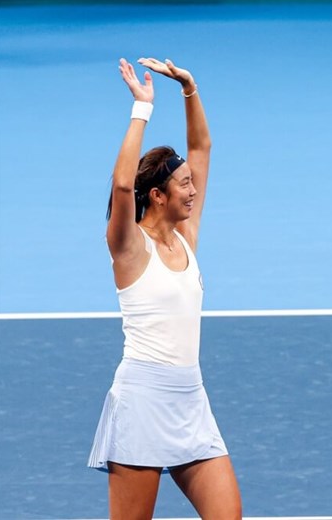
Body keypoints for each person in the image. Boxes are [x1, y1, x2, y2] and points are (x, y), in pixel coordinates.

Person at [88, 57, 242, 519]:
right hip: (142, 402)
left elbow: (203, 148)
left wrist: (190, 90)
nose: (193, 192)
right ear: (157, 195)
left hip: (191, 400)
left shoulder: (186, 238)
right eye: (183, 186)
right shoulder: (129, 247)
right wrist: (142, 109)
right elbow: (121, 185)